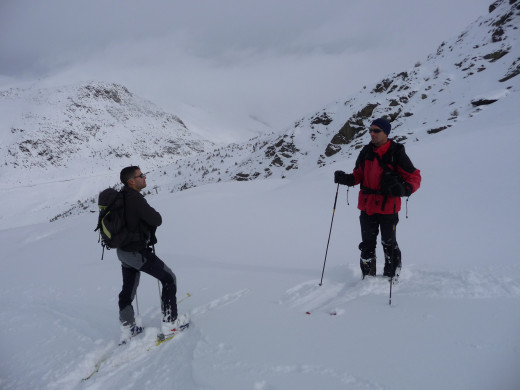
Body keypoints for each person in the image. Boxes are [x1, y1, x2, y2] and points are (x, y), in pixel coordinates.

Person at [334, 118, 421, 279]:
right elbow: (358, 176)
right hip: (367, 207)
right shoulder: (366, 151)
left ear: (385, 132)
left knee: (389, 243)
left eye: (376, 131)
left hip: (388, 207)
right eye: (371, 130)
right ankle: (368, 277)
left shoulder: (396, 152)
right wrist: (345, 178)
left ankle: (391, 275)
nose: (372, 133)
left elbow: (414, 176)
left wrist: (404, 189)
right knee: (367, 245)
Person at [117, 166, 187, 338]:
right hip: (136, 252)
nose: (145, 177)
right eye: (141, 176)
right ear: (131, 181)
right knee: (169, 278)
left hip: (123, 251)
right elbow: (157, 219)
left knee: (128, 289)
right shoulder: (135, 198)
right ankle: (171, 323)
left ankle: (128, 327)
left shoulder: (120, 196)